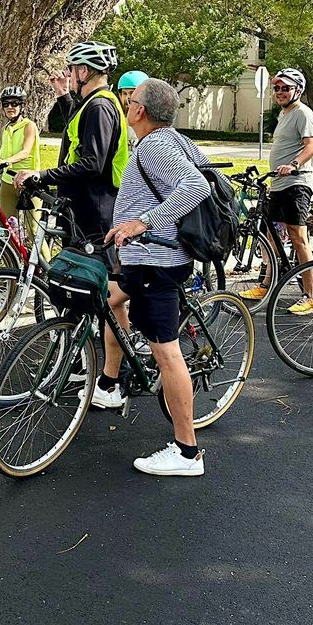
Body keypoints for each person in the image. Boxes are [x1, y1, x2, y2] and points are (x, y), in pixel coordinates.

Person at [104, 78, 212, 477]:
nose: (127, 105)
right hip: (144, 260)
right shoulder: (173, 139)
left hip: (157, 262)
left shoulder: (155, 145)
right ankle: (108, 384)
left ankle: (187, 453)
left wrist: (143, 223)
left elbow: (196, 187)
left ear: (139, 111)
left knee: (166, 352)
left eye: (130, 100)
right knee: (111, 300)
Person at [15, 41, 129, 407]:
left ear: (86, 71)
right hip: (84, 213)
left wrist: (43, 174)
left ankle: (112, 380)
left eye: (74, 69)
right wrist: (64, 96)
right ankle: (87, 360)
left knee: (112, 300)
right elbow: (78, 135)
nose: (70, 74)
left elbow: (92, 163)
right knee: (88, 295)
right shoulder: (92, 105)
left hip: (98, 216)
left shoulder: (100, 107)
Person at [238, 67, 313, 313]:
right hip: (280, 185)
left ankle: (310, 297)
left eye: (286, 88)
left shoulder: (303, 113)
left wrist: (294, 165)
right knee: (272, 236)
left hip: (297, 184)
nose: (280, 92)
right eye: (277, 88)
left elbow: (312, 146)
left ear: (298, 90)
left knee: (298, 237)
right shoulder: (284, 114)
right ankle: (267, 283)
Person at [0, 85, 41, 238]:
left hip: (29, 183)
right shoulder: (6, 128)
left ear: (22, 106)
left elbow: (25, 152)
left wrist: (5, 161)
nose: (10, 107)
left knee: (33, 231)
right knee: (9, 228)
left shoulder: (29, 126)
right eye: (6, 104)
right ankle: (16, 260)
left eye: (15, 103)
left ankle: (47, 262)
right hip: (7, 182)